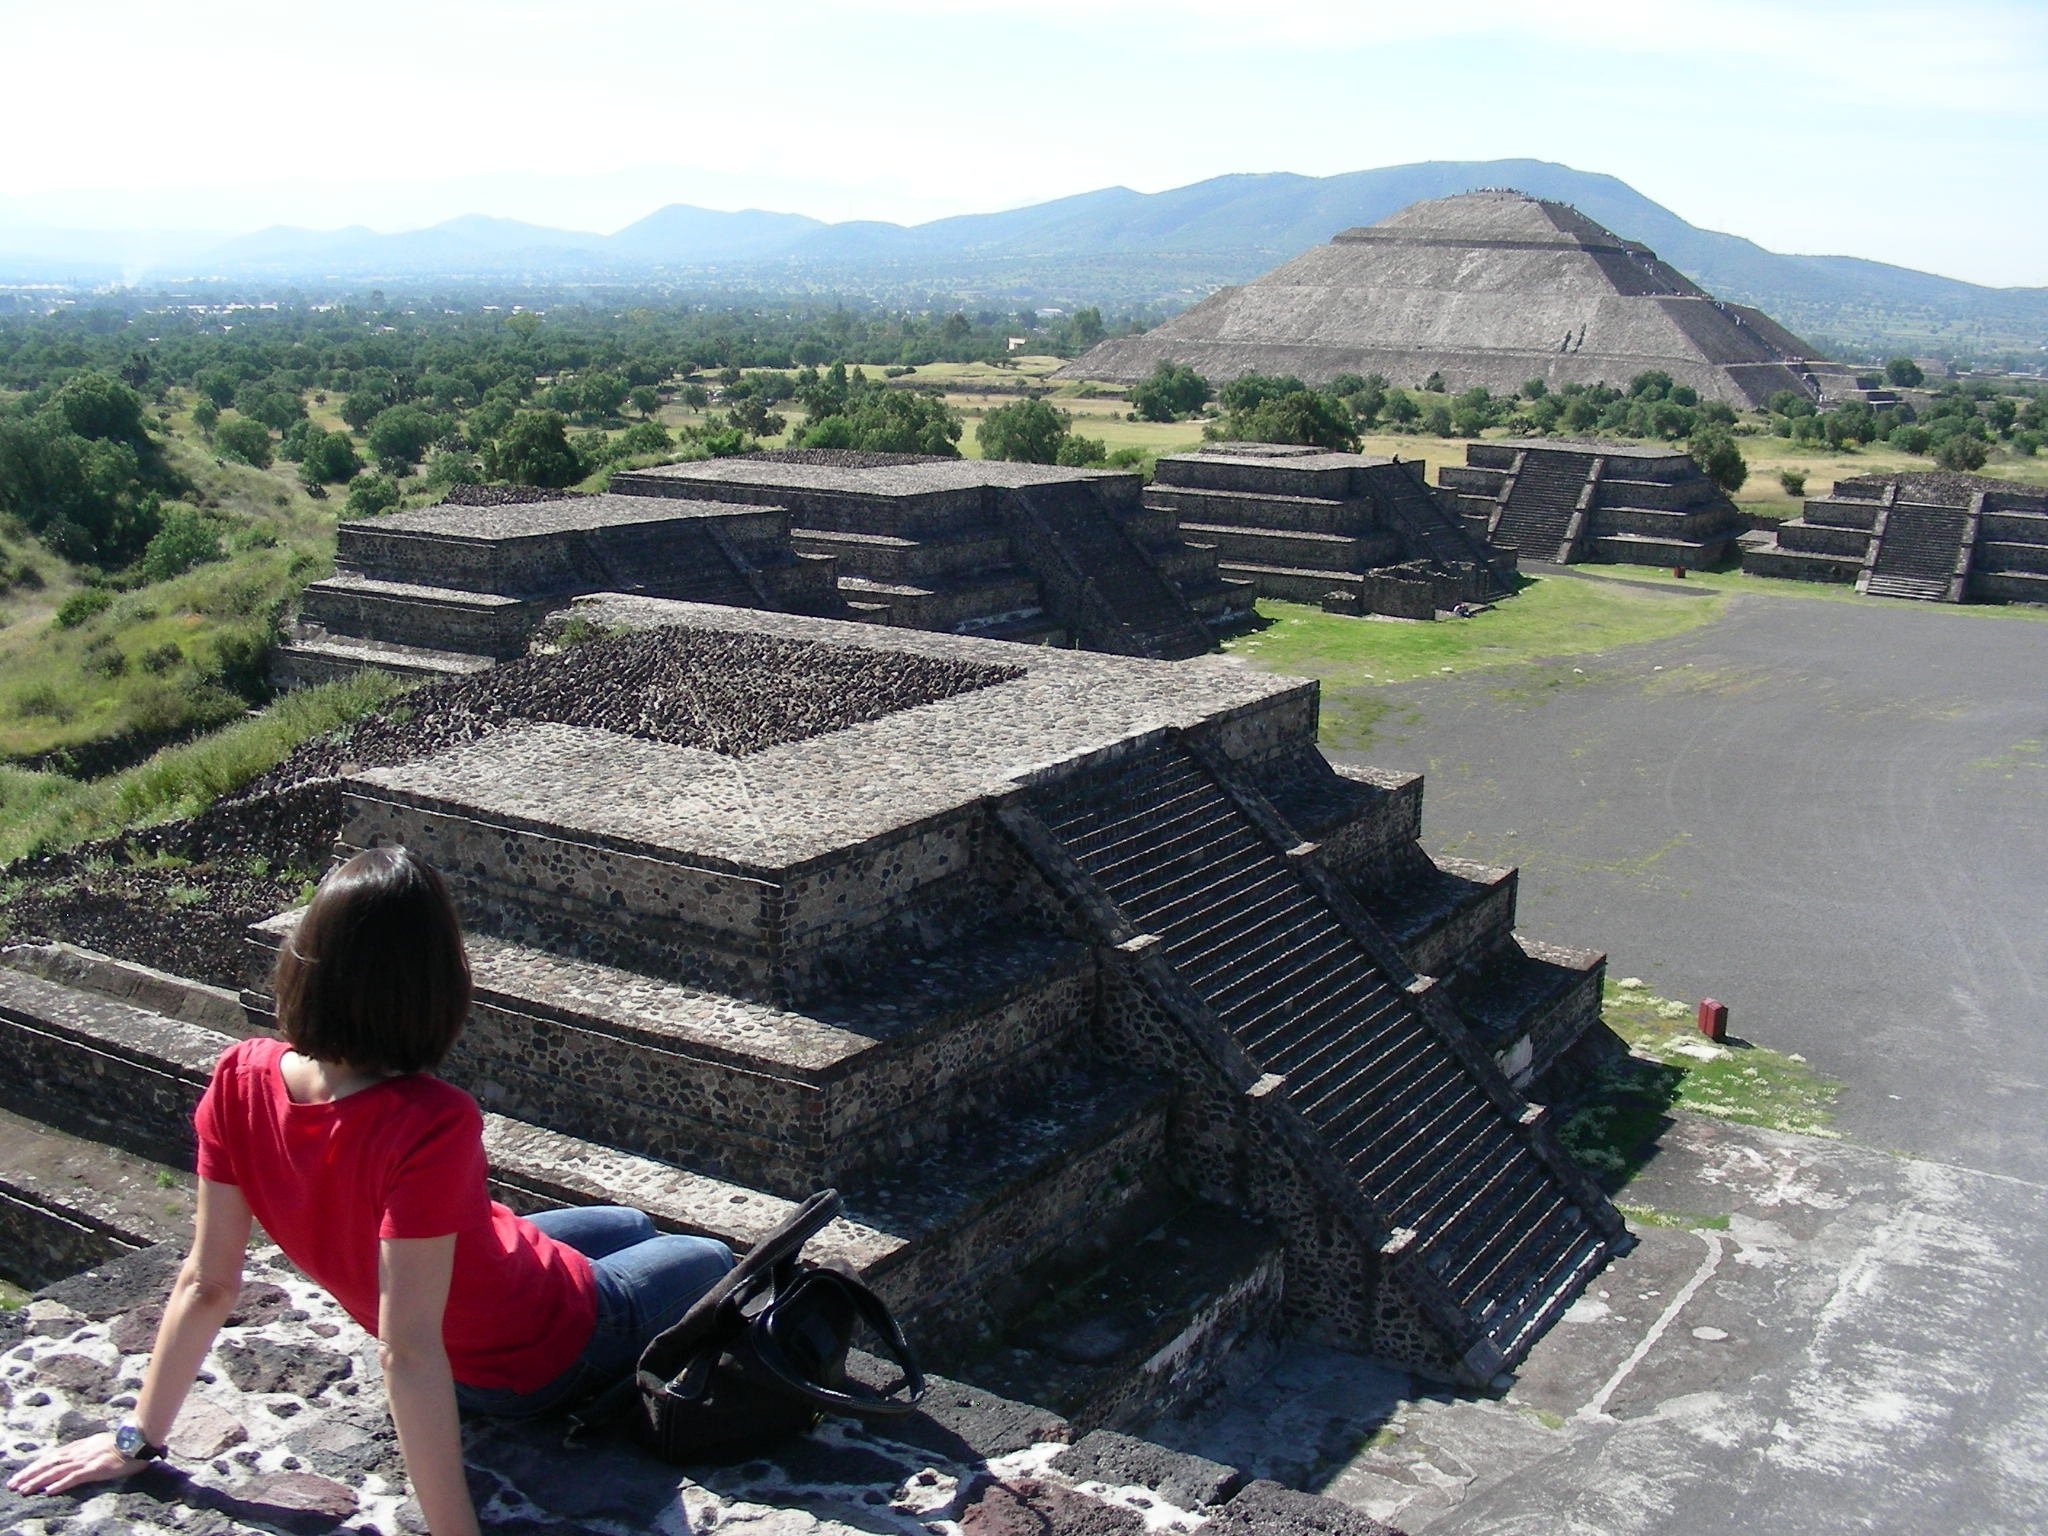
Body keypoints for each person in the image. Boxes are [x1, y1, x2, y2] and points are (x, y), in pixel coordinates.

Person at [6, 846, 733, 1536]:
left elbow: (206, 1282)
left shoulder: (239, 1075)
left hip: (499, 1269)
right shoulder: (429, 1122)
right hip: (530, 1354)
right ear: (434, 986)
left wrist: (140, 1438)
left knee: (632, 1221)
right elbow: (410, 1353)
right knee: (710, 1258)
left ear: (306, 966)